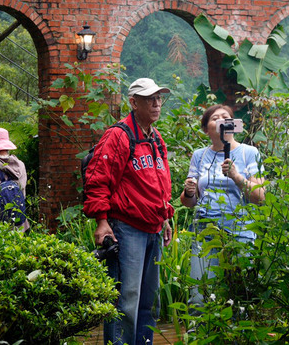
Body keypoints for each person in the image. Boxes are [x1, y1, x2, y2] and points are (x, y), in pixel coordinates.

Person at [83, 77, 174, 345]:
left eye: (159, 98)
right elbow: (98, 180)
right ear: (133, 103)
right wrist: (102, 222)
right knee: (126, 300)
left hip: (154, 229)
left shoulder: (156, 138)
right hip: (127, 228)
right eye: (149, 99)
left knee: (149, 300)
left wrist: (166, 217)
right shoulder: (118, 136)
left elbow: (161, 182)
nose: (156, 104)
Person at [180, 104, 265, 309]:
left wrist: (236, 177)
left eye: (225, 117)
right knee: (200, 295)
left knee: (239, 297)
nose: (221, 120)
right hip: (205, 230)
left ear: (233, 125)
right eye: (214, 118)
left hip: (240, 231)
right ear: (206, 128)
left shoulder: (249, 153)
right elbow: (189, 202)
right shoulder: (199, 155)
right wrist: (189, 191)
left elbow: (260, 197)